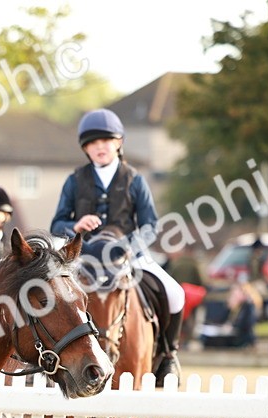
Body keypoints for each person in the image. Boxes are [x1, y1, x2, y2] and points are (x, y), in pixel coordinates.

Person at [51, 107, 185, 385]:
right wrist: (74, 227)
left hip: (127, 255)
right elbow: (57, 223)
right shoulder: (75, 181)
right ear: (85, 149)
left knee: (175, 293)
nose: (99, 148)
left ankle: (169, 356)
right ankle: (49, 359)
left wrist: (129, 246)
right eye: (93, 143)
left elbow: (150, 225)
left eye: (106, 141)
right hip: (85, 257)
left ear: (118, 143)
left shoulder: (135, 180)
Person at [199, 281, 260, 350]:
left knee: (215, 341)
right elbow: (222, 320)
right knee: (205, 337)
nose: (232, 296)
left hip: (241, 337)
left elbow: (247, 325)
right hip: (228, 334)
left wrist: (233, 327)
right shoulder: (231, 308)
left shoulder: (247, 307)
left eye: (235, 294)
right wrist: (229, 308)